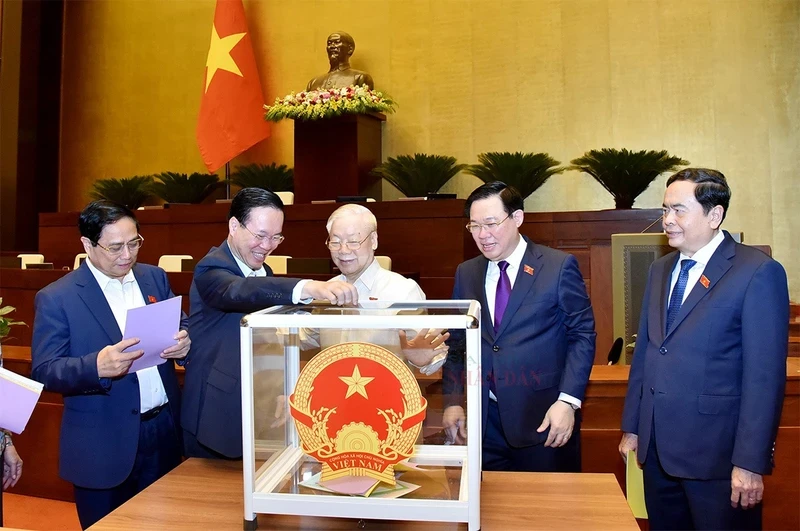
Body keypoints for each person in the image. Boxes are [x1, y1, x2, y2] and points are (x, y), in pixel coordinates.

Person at [618, 168, 789, 530]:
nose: (667, 220)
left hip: (719, 461)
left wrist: (750, 462)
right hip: (658, 454)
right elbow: (649, 353)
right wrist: (633, 427)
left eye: (679, 210)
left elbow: (765, 379)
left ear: (715, 215)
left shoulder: (757, 272)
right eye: (664, 210)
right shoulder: (660, 270)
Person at [31, 201, 190, 529]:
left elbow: (182, 328)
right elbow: (45, 369)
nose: (127, 255)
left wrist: (185, 345)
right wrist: (95, 366)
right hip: (102, 446)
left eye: (134, 243)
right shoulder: (58, 297)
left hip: (163, 432)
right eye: (115, 247)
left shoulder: (154, 279)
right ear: (87, 244)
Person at [181, 188, 359, 460]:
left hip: (260, 411)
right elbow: (242, 291)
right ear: (234, 226)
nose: (268, 246)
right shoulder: (211, 269)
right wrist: (309, 287)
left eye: (276, 237)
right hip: (215, 417)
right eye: (261, 236)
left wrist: (282, 386)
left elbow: (270, 336)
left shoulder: (264, 272)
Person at [442, 181, 596, 472]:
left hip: (545, 420)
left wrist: (568, 401)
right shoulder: (467, 273)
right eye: (474, 226)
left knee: (546, 512)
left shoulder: (557, 266)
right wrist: (452, 401)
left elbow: (582, 336)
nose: (482, 235)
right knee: (487, 513)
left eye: (490, 223)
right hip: (483, 423)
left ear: (517, 218)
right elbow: (457, 343)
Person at [321, 203, 449, 373]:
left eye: (353, 241)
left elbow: (432, 354)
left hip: (385, 395)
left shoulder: (403, 291)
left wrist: (423, 360)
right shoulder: (325, 292)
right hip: (332, 396)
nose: (343, 250)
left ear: (373, 240)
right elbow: (294, 337)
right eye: (335, 242)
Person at [306, 32, 374, 91]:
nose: (332, 46)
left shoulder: (360, 77)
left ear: (350, 49)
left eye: (337, 42)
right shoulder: (314, 82)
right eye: (329, 43)